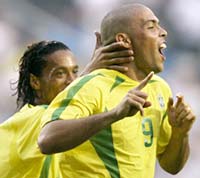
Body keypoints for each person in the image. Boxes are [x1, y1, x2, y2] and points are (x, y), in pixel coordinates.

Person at [38, 3, 196, 178]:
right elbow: (47, 140)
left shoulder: (159, 88)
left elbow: (171, 166)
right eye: (151, 26)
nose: (163, 31)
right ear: (124, 40)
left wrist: (180, 133)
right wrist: (114, 114)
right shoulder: (92, 85)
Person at [0, 36, 134, 178]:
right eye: (60, 74)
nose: (71, 81)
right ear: (35, 82)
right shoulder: (37, 118)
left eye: (75, 72)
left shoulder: (32, 118)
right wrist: (115, 113)